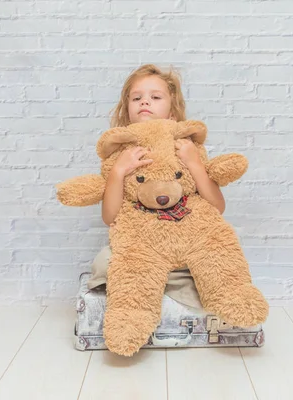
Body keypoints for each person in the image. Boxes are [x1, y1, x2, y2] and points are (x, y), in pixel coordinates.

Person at [87, 64, 225, 310]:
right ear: (127, 110)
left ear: (172, 113)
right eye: (137, 98)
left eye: (155, 97)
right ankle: (156, 280)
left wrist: (193, 162)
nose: (145, 102)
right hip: (142, 245)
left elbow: (217, 206)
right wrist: (119, 171)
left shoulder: (187, 147)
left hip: (185, 241)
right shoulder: (120, 152)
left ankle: (168, 279)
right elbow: (110, 217)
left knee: (217, 253)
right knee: (104, 262)